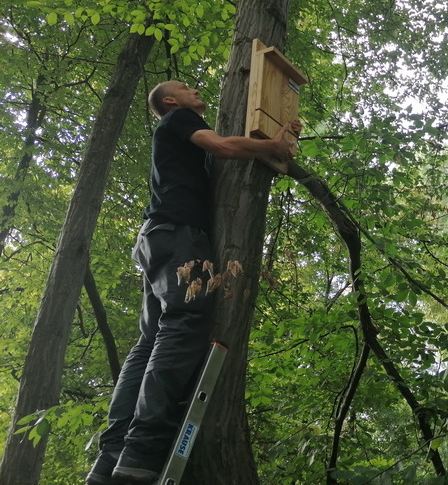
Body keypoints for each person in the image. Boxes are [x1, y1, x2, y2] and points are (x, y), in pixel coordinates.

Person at [86, 80, 301, 485]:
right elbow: (222, 146)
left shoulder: (178, 139)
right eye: (185, 87)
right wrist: (271, 146)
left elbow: (220, 154)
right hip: (178, 234)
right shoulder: (178, 119)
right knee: (184, 323)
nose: (194, 90)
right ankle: (143, 450)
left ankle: (112, 455)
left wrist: (279, 138)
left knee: (150, 341)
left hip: (156, 237)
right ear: (170, 101)